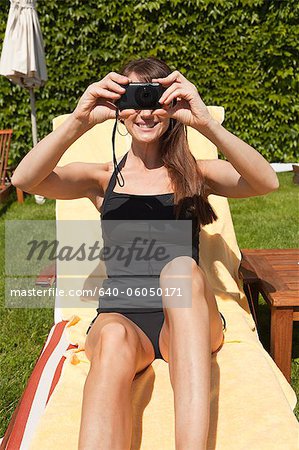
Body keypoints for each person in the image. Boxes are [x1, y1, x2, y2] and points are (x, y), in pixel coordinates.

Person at [11, 56, 279, 450]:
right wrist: (79, 120)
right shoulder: (103, 178)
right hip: (123, 315)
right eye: (135, 98)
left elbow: (266, 181)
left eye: (155, 99)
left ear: (172, 106)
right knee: (114, 338)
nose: (146, 111)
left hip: (186, 321)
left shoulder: (195, 174)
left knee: (179, 270)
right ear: (119, 111)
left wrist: (206, 123)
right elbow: (24, 179)